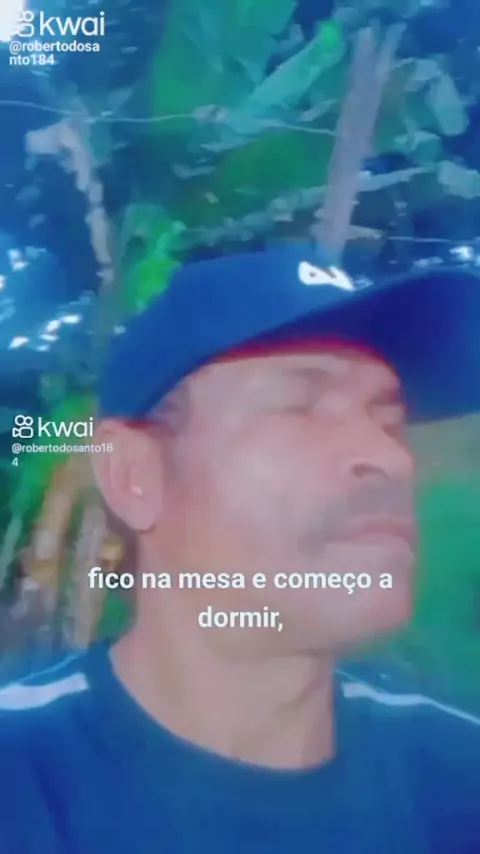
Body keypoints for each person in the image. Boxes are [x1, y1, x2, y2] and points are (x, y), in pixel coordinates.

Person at [0, 243, 479, 854]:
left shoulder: (459, 777)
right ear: (135, 476)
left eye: (389, 423)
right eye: (299, 408)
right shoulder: (21, 783)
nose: (391, 458)